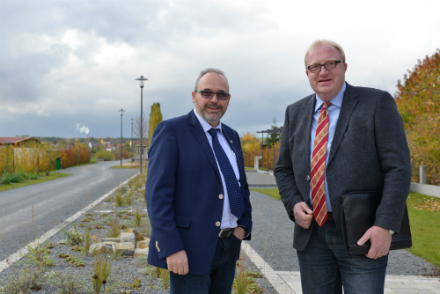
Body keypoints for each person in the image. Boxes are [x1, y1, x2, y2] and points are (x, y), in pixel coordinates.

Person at [274, 40, 411, 293]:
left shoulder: (376, 103)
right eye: (315, 66)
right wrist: (293, 203)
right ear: (307, 73)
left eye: (331, 64)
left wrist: (384, 225)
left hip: (364, 231)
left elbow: (398, 168)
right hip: (311, 234)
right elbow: (283, 169)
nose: (323, 72)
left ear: (344, 67)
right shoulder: (295, 112)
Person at [145, 68, 252, 294]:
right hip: (189, 250)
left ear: (228, 100)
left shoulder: (231, 136)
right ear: (194, 96)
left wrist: (243, 226)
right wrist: (171, 248)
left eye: (221, 95)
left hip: (228, 245)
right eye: (207, 93)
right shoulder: (172, 131)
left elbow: (240, 186)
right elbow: (157, 196)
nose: (214, 100)